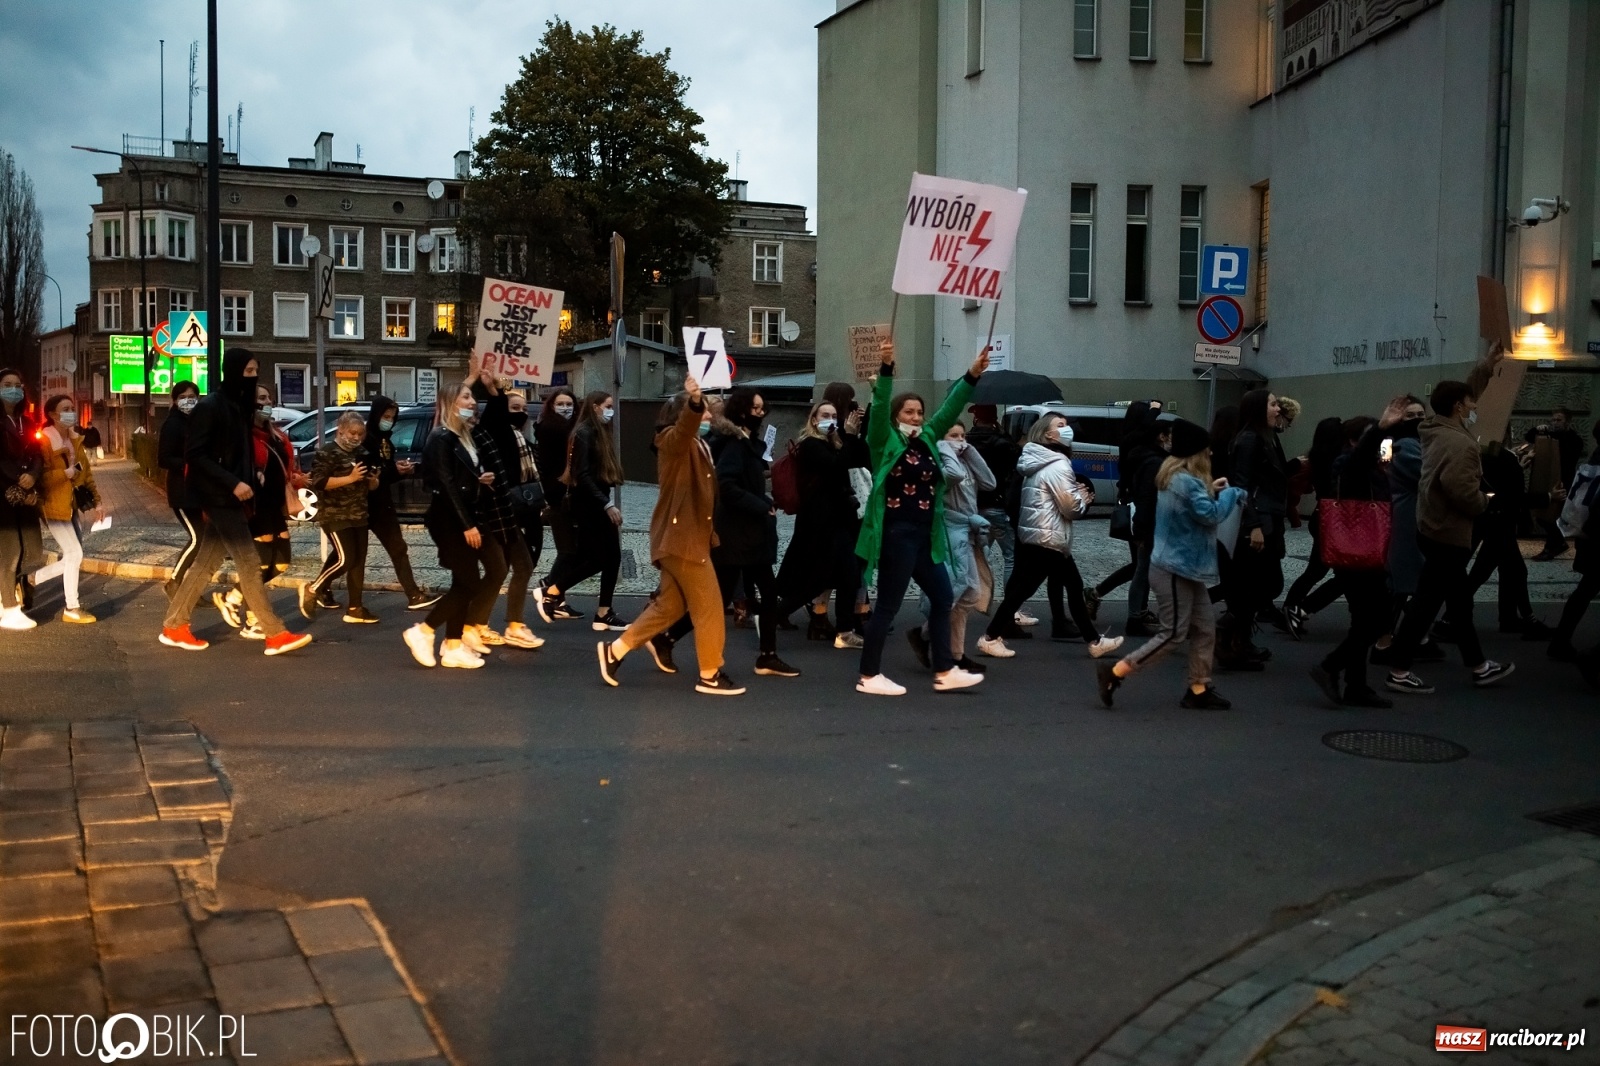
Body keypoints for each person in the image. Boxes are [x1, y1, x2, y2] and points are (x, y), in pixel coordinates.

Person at [852, 341, 988, 695]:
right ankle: (869, 676)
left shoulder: (928, 438)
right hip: (897, 535)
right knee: (887, 607)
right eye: (909, 412)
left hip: (926, 535)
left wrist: (972, 374)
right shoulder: (884, 441)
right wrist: (885, 370)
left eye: (919, 412)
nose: (916, 417)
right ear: (898, 416)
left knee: (943, 598)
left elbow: (951, 407)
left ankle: (944, 669)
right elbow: (879, 407)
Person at [597, 376, 746, 695]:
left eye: (706, 411)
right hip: (682, 539)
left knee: (671, 606)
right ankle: (710, 674)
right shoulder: (672, 440)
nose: (708, 416)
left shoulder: (698, 444)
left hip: (685, 538)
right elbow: (683, 432)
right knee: (709, 606)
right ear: (683, 415)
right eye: (703, 412)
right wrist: (694, 403)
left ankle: (615, 652)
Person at [159, 349, 312, 656]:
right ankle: (274, 632)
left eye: (255, 371)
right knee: (249, 562)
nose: (253, 377)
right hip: (218, 496)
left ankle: (175, 625)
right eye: (248, 371)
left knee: (206, 563)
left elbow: (238, 453)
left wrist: (251, 479)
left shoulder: (236, 407)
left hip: (229, 496)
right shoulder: (211, 406)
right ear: (232, 371)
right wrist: (234, 482)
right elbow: (196, 456)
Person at [1097, 418, 1245, 709]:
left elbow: (1195, 506)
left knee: (1204, 628)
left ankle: (1199, 688)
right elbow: (1210, 515)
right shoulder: (1186, 482)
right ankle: (1114, 672)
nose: (1211, 454)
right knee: (1174, 634)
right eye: (1207, 450)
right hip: (1175, 567)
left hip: (1181, 566)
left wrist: (1211, 490)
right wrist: (1230, 494)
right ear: (1196, 453)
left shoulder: (1176, 477)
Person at [1383, 377, 1515, 693]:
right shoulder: (1461, 443)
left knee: (1458, 603)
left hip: (1430, 525)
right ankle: (1399, 670)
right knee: (1426, 604)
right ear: (1457, 407)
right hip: (1448, 531)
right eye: (1470, 404)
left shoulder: (1432, 429)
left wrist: (1486, 368)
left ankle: (1479, 665)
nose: (1474, 409)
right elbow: (1462, 492)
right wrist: (1486, 501)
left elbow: (1458, 392)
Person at [977, 414, 1122, 661]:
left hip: (1039, 533)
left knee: (1054, 587)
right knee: (1035, 589)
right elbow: (1071, 508)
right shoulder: (1058, 463)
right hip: (1048, 536)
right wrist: (1083, 499)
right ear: (1048, 434)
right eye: (1061, 426)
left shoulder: (1037, 461)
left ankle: (1094, 641)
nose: (1067, 430)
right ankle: (990, 637)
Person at [1307, 404, 1409, 709]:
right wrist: (1379, 430)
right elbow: (1359, 460)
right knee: (1376, 620)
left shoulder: (1373, 466)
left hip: (1365, 551)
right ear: (1355, 441)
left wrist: (1386, 439)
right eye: (1372, 440)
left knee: (1364, 620)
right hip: (1356, 552)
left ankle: (1356, 685)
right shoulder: (1348, 463)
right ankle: (1330, 666)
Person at [707, 388, 798, 677]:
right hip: (736, 533)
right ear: (743, 411)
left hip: (748, 534)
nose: (761, 413)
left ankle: (768, 656)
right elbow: (727, 485)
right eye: (755, 409)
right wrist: (761, 505)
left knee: (768, 593)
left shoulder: (746, 442)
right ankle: (666, 639)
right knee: (719, 599)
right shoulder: (735, 444)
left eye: (762, 408)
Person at [404, 382, 494, 669]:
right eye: (466, 397)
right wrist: (468, 525)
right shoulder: (441, 438)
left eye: (472, 398)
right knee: (469, 583)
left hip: (462, 515)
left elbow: (459, 479)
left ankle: (453, 645)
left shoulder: (461, 436)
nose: (472, 402)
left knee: (463, 581)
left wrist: (479, 482)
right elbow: (445, 484)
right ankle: (423, 631)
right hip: (450, 519)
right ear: (450, 403)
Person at [1220, 390, 1303, 668]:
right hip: (1258, 520)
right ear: (1258, 408)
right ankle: (1231, 637)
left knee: (1264, 583)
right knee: (1260, 583)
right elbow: (1241, 484)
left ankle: (1238, 638)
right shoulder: (1249, 439)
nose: (1278, 408)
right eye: (1272, 403)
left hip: (1270, 517)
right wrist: (1253, 524)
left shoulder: (1265, 436)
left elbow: (1269, 476)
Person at [775, 399, 865, 647]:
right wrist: (849, 437)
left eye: (834, 416)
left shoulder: (832, 443)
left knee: (845, 575)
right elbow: (838, 466)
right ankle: (773, 614)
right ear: (814, 419)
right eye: (825, 415)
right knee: (819, 578)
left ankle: (844, 630)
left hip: (836, 520)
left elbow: (855, 459)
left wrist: (854, 433)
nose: (831, 420)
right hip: (821, 522)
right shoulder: (811, 445)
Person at [464, 375, 543, 652]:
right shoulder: (478, 432)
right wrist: (487, 385)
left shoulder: (498, 432)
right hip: (490, 512)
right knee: (500, 569)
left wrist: (493, 387)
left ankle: (505, 625)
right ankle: (475, 626)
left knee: (517, 566)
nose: (472, 410)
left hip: (504, 510)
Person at [910, 421, 995, 674]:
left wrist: (969, 451)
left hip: (967, 532)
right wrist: (942, 446)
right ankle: (935, 643)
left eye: (963, 436)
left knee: (967, 594)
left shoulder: (965, 458)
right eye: (953, 436)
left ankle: (945, 647)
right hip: (950, 531)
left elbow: (989, 482)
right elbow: (954, 477)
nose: (960, 441)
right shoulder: (941, 464)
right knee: (956, 591)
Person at [539, 390, 626, 631]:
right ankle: (554, 590)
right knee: (598, 558)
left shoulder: (597, 432)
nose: (611, 410)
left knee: (612, 557)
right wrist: (606, 504)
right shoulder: (584, 433)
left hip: (597, 500)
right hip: (589, 504)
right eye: (608, 406)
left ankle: (604, 612)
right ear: (596, 406)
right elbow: (582, 474)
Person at [1466, 439, 1557, 639]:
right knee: (1509, 571)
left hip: (1492, 521)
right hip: (1499, 522)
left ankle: (1510, 618)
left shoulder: (1483, 454)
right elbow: (1512, 496)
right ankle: (1524, 620)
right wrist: (1548, 497)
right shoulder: (1503, 458)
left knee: (1498, 570)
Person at [1089, 403, 1164, 636]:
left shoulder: (1130, 442)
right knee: (1141, 565)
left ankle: (1135, 608)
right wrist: (1155, 411)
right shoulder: (1136, 444)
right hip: (1138, 510)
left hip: (1132, 506)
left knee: (1140, 565)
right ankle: (1102, 595)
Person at [301, 411, 381, 625]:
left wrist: (372, 481)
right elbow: (318, 482)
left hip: (359, 513)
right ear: (340, 430)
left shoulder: (362, 452)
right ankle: (313, 588)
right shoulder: (328, 452)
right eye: (352, 433)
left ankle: (355, 607)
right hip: (334, 513)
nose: (356, 438)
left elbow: (369, 485)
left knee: (358, 562)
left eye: (360, 434)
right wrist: (350, 477)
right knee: (346, 559)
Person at [34, 395, 104, 623]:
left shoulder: (76, 441)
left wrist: (97, 502)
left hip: (72, 505)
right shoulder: (45, 441)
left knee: (74, 557)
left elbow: (86, 475)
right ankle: (72, 608)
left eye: (72, 409)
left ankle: (30, 579)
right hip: (53, 505)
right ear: (53, 415)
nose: (71, 413)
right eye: (65, 409)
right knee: (75, 554)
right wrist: (64, 474)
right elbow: (39, 477)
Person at [363, 397, 437, 610]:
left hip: (383, 503)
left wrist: (401, 470)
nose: (389, 421)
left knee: (398, 548)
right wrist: (394, 471)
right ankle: (321, 588)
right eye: (386, 417)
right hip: (364, 504)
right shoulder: (366, 439)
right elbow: (370, 474)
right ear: (376, 415)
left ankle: (413, 594)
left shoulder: (387, 440)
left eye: (393, 418)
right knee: (350, 556)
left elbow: (384, 473)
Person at [1282, 417, 1351, 636]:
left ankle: (1292, 607)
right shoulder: (1341, 460)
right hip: (1336, 521)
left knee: (1317, 570)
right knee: (1344, 575)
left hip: (1321, 517)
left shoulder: (1315, 458)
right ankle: (1299, 608)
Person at [1549, 423, 1600, 662]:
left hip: (1589, 537)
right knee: (1586, 589)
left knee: (1585, 590)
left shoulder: (1592, 463)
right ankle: (1592, 658)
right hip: (1597, 534)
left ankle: (1560, 640)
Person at [967, 403, 1023, 616]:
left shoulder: (968, 441)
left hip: (975, 506)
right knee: (1010, 556)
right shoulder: (1002, 442)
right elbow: (1015, 463)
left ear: (975, 418)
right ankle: (1011, 609)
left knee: (980, 553)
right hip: (998, 505)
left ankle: (978, 598)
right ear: (994, 418)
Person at [532, 387, 582, 621]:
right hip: (560, 496)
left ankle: (555, 593)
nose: (565, 408)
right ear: (552, 406)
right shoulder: (554, 429)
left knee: (571, 549)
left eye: (569, 403)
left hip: (564, 495)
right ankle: (550, 588)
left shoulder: (564, 428)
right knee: (568, 549)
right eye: (560, 404)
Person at [0, 368, 43, 629]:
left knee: (34, 550)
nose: (13, 389)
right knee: (10, 551)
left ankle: (6, 591)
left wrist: (34, 476)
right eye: (7, 384)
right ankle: (9, 608)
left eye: (17, 384)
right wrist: (19, 477)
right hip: (2, 493)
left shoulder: (26, 421)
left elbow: (37, 453)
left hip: (25, 494)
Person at [159, 380, 203, 595]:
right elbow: (164, 458)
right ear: (175, 401)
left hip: (200, 490)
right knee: (198, 538)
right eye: (183, 397)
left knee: (205, 542)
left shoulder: (198, 422)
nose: (188, 401)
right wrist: (189, 464)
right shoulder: (173, 424)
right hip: (182, 492)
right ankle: (175, 582)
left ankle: (191, 587)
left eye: (192, 397)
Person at [1526, 407, 1584, 560]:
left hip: (1564, 481)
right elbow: (1529, 436)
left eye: (1559, 420)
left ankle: (1554, 545)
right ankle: (1555, 545)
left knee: (1552, 516)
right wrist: (1539, 430)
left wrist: (1553, 435)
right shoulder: (1551, 435)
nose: (1555, 423)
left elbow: (1568, 456)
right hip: (1549, 480)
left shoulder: (1574, 440)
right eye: (1553, 420)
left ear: (1567, 422)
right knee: (1544, 514)